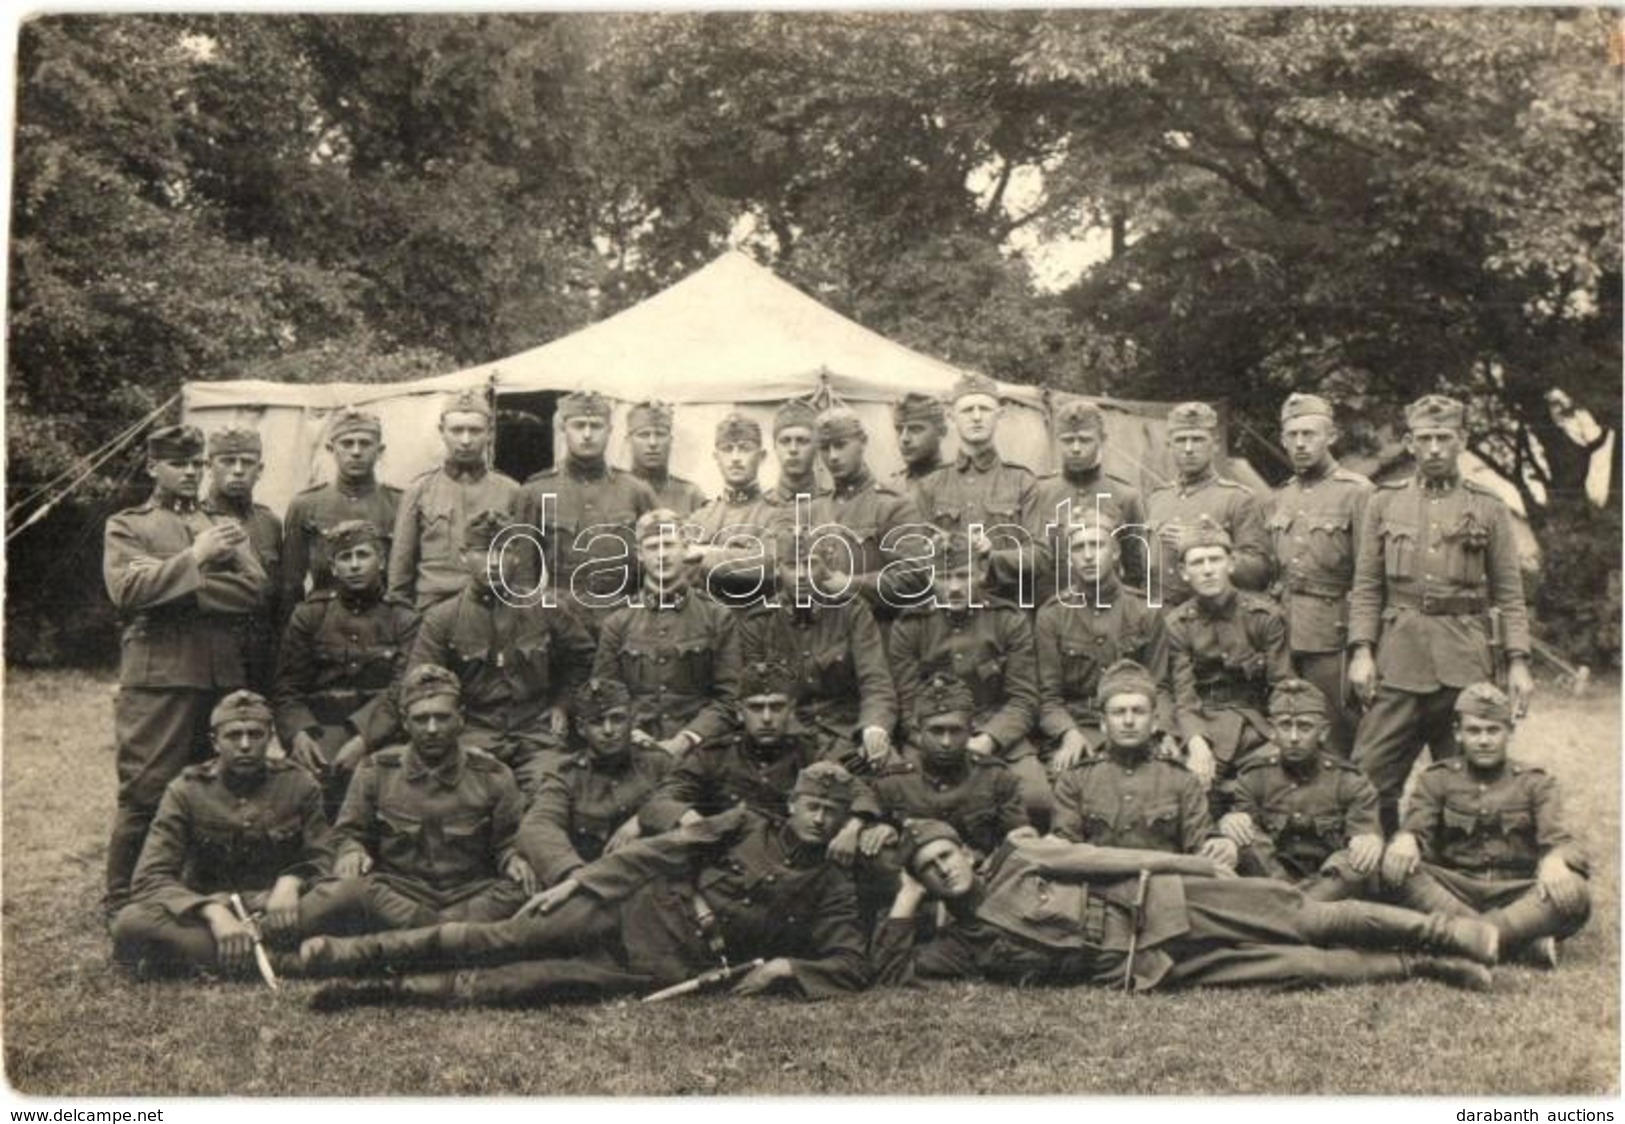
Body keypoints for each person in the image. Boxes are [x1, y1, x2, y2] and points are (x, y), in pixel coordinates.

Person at [300, 764, 872, 1005]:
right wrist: (576, 886)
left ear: (845, 816)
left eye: (832, 810)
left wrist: (788, 968)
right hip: (632, 909)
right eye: (812, 804)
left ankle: (376, 993)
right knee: (500, 939)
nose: (819, 818)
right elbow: (661, 849)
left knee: (525, 983)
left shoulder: (832, 885)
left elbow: (850, 962)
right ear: (794, 802)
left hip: (666, 966)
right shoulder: (744, 822)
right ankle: (347, 954)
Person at [875, 819, 1501, 992]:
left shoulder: (1019, 854)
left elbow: (1106, 859)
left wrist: (1194, 865)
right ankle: (1426, 967)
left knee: (1309, 918)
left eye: (945, 855)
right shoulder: (959, 945)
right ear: (924, 884)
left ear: (962, 849)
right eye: (928, 870)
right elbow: (893, 972)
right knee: (1301, 966)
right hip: (1146, 969)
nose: (944, 868)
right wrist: (906, 899)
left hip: (1167, 900)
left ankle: (1449, 934)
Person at [102, 424, 270, 917]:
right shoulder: (128, 525)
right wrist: (197, 560)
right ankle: (120, 899)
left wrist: (171, 587)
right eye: (180, 463)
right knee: (146, 791)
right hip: (160, 679)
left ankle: (187, 888)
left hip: (218, 677)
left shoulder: (216, 523)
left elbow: (254, 591)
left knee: (210, 787)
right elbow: (126, 592)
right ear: (154, 467)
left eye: (198, 464)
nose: (192, 473)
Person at [1347, 394, 1534, 834]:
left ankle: (1456, 873)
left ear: (1462, 440)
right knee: (1368, 777)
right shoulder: (1384, 502)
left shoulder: (1487, 506)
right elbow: (1367, 586)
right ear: (1410, 443)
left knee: (1467, 784)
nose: (1434, 448)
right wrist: (1361, 651)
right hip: (1397, 661)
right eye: (1425, 438)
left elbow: (1509, 593)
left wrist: (1519, 661)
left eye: (1444, 438)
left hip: (1464, 663)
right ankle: (1376, 871)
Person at [111, 691, 332, 978]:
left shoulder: (300, 785)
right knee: (130, 922)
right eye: (233, 736)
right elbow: (150, 877)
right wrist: (213, 912)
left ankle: (212, 957)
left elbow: (324, 858)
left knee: (344, 899)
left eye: (255, 735)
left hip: (280, 912)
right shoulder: (186, 790)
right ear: (215, 742)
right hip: (211, 915)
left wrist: (292, 881)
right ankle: (282, 960)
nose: (245, 745)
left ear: (271, 738)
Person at [301, 665, 536, 933]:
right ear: (404, 721)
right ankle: (453, 935)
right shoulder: (375, 770)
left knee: (525, 889)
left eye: (442, 717)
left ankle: (420, 937)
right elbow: (348, 833)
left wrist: (513, 860)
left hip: (470, 894)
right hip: (399, 892)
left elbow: (508, 841)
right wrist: (351, 851)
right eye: (421, 719)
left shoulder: (494, 775)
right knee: (346, 889)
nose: (432, 729)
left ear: (461, 718)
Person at [1381, 682, 1590, 968]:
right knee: (1394, 871)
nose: (1483, 740)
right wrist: (1407, 839)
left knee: (1574, 890)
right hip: (1453, 891)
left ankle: (1462, 940)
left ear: (1510, 732)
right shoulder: (1436, 779)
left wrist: (1556, 859)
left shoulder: (1536, 782)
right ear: (1458, 733)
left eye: (1493, 730)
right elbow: (1417, 826)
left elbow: (1562, 840)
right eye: (1474, 730)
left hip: (1516, 894)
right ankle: (1519, 945)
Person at [409, 509, 596, 799]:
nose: (494, 562)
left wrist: (563, 704)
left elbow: (583, 660)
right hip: (472, 733)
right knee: (469, 799)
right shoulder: (441, 619)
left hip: (537, 733)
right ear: (463, 556)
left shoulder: (546, 607)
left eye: (503, 550)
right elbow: (421, 686)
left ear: (517, 556)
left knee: (550, 794)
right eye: (483, 552)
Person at [638, 659, 882, 851]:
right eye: (756, 707)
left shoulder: (813, 751)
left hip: (794, 865)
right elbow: (660, 801)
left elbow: (860, 790)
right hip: (723, 861)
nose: (766, 718)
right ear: (740, 713)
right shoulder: (714, 755)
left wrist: (854, 825)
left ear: (791, 710)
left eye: (776, 707)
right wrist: (695, 822)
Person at [888, 532, 1045, 824]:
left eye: (964, 575)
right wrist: (936, 742)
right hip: (930, 739)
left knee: (1036, 801)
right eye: (944, 577)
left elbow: (1023, 699)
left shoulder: (1008, 620)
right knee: (908, 804)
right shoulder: (909, 626)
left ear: (982, 572)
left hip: (995, 735)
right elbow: (906, 704)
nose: (955, 587)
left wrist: (988, 740)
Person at [273, 520, 419, 820]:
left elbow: (401, 691)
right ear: (333, 567)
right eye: (345, 558)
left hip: (381, 733)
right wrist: (299, 733)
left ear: (382, 561)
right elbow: (288, 688)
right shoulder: (310, 615)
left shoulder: (403, 617)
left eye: (363, 555)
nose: (354, 566)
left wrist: (364, 740)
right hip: (319, 729)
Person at [734, 533, 899, 772]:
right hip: (786, 740)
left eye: (810, 564)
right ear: (778, 569)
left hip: (846, 734)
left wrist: (874, 727)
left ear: (826, 566)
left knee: (893, 777)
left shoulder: (852, 612)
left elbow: (876, 681)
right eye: (791, 566)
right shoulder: (759, 621)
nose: (801, 575)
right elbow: (756, 695)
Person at [1266, 392, 1373, 756]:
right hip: (1284, 632)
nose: (1299, 443)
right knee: (1290, 736)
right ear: (1282, 438)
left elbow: (1370, 579)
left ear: (1331, 436)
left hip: (1334, 638)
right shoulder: (1280, 496)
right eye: (1292, 435)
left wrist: (1363, 647)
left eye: (1309, 434)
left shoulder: (1357, 493)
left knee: (1337, 739)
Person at [1051, 660, 1234, 869]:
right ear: (1103, 722)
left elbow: (1201, 841)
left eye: (1138, 711)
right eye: (1119, 712)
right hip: (1098, 892)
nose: (1129, 721)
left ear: (1155, 721)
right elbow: (1064, 850)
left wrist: (1219, 845)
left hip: (1165, 891)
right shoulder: (1076, 780)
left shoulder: (1181, 779)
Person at [1164, 518, 1293, 813]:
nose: (1208, 570)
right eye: (1197, 563)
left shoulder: (1264, 617)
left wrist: (1282, 735)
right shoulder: (1177, 624)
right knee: (1183, 792)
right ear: (1184, 572)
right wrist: (1196, 742)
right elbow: (1184, 696)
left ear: (1231, 563)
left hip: (1256, 728)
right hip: (1203, 724)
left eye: (1215, 559)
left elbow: (1282, 685)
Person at [594, 510, 743, 755]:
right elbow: (605, 697)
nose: (662, 555)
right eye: (652, 547)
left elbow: (729, 699)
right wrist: (630, 733)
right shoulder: (618, 622)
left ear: (685, 548)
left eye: (669, 545)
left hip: (700, 750)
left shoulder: (717, 618)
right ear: (640, 555)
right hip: (634, 749)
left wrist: (686, 739)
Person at [1217, 679, 1383, 899]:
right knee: (1242, 834)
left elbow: (1361, 843)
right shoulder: (1253, 777)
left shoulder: (1349, 781)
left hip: (1331, 891)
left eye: (1305, 727)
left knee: (1360, 856)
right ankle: (1297, 907)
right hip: (1272, 880)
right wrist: (1231, 822)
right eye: (1285, 726)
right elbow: (1253, 850)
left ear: (1323, 732)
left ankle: (1294, 909)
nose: (1294, 738)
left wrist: (1368, 840)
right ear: (1273, 730)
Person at [514, 390, 658, 633]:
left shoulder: (636, 491)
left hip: (625, 621)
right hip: (561, 623)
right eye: (579, 426)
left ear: (610, 431)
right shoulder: (536, 492)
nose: (588, 435)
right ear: (563, 428)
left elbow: (657, 563)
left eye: (596, 426)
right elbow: (524, 575)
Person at [1035, 514, 1170, 768]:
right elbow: (1048, 697)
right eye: (1078, 548)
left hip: (1136, 727)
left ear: (1116, 552)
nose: (1087, 556)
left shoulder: (1145, 610)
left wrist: (1163, 732)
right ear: (1069, 558)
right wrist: (1068, 733)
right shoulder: (1052, 615)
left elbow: (1160, 687)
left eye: (1097, 545)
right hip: (1080, 726)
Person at [516, 678, 672, 888]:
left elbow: (685, 796)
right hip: (593, 887)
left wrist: (645, 817)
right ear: (581, 728)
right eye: (597, 721)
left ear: (633, 721)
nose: (608, 730)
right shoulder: (566, 775)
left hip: (654, 882)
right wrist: (574, 875)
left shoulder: (658, 763)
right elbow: (538, 826)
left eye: (617, 719)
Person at [916, 373, 1046, 606]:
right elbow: (914, 559)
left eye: (984, 409)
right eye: (967, 410)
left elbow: (1041, 556)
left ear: (1000, 415)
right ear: (951, 417)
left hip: (1007, 615)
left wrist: (992, 557)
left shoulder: (1022, 482)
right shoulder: (931, 485)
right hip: (948, 616)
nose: (976, 417)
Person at [870, 674, 1031, 857]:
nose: (946, 742)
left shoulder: (996, 778)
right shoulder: (892, 784)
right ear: (918, 732)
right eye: (936, 731)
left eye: (955, 731)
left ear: (971, 731)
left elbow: (1018, 841)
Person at [388, 388, 520, 610]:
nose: (465, 440)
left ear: (490, 433)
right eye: (457, 430)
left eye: (475, 431)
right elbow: (400, 569)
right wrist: (402, 615)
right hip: (432, 607)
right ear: (442, 431)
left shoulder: (511, 491)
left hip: (491, 608)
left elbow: (521, 563)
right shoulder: (419, 490)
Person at [808, 405, 930, 620]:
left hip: (877, 633)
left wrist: (851, 585)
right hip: (825, 638)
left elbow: (915, 577)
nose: (833, 456)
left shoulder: (893, 506)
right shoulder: (814, 510)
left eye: (841, 445)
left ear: (863, 443)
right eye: (825, 448)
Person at [1145, 401, 1270, 607]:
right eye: (1181, 440)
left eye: (1198, 439)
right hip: (1162, 620)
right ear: (1169, 445)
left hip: (1213, 620)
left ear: (1215, 444)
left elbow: (1259, 573)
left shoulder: (1238, 499)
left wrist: (1202, 544)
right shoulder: (1157, 498)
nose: (1188, 448)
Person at [281, 408, 401, 611]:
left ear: (380, 450)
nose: (356, 451)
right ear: (331, 448)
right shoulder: (305, 505)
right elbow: (291, 582)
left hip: (384, 621)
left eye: (365, 443)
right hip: (324, 622)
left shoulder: (400, 503)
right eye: (347, 443)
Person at [1032, 398, 1148, 597]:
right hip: (1050, 611)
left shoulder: (1125, 496)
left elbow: (1135, 571)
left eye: (1085, 440)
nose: (1075, 448)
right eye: (1068, 440)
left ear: (1102, 439)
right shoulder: (1038, 492)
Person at [201, 426, 283, 692]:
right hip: (210, 653)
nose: (238, 470)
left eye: (247, 463)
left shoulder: (269, 522)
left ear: (260, 470)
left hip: (261, 654)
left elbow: (278, 595)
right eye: (227, 461)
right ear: (209, 466)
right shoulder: (192, 519)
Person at [687, 413, 780, 607]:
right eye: (727, 450)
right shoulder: (701, 517)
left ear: (761, 456)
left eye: (745, 449)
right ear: (716, 457)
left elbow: (770, 565)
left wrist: (705, 553)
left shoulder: (777, 514)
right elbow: (682, 565)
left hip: (757, 624)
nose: (736, 458)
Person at [625, 399, 707, 516]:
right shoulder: (614, 491)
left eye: (660, 434)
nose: (652, 443)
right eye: (644, 435)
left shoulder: (691, 496)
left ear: (670, 441)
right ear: (628, 440)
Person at [764, 398, 829, 513]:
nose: (793, 449)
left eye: (802, 441)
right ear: (775, 446)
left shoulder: (833, 508)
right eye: (785, 441)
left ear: (817, 446)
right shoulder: (760, 509)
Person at [889, 392, 949, 506]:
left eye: (915, 429)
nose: (904, 439)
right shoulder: (892, 486)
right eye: (899, 430)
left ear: (941, 432)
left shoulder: (958, 484)